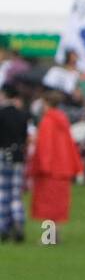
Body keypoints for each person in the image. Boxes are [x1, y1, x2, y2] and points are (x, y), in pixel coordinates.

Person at [28, 89, 84, 244]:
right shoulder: (63, 120)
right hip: (63, 168)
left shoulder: (47, 121)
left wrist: (40, 165)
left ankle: (48, 237)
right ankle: (54, 234)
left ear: (46, 103)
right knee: (57, 205)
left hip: (50, 169)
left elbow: (45, 147)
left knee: (47, 205)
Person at [0, 83, 30, 243]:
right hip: (18, 155)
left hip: (3, 154)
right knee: (16, 192)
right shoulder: (22, 114)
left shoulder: (1, 114)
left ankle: (4, 226)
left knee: (3, 192)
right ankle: (18, 221)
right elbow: (25, 137)